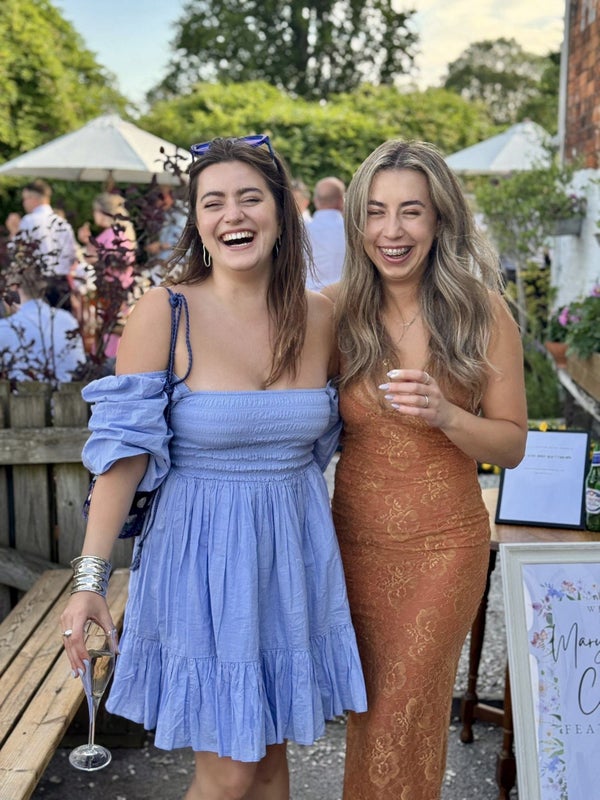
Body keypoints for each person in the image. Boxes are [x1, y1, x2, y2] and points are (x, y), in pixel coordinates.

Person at [61, 135, 367, 800]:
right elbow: (121, 456)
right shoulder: (164, 312)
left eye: (250, 198)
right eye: (214, 202)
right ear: (196, 220)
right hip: (201, 560)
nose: (234, 215)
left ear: (281, 211)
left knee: (269, 765)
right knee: (229, 774)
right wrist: (89, 580)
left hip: (291, 557)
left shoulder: (320, 316)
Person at [322, 139, 528, 800]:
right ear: (357, 222)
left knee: (403, 708)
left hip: (445, 547)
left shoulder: (481, 312)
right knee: (374, 711)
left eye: (411, 211)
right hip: (354, 544)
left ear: (439, 219)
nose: (392, 230)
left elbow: (512, 445)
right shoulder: (334, 312)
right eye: (376, 211)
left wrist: (446, 414)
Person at [0, 247, 86, 383]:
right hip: (72, 394)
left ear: (14, 288)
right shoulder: (67, 320)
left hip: (24, 395)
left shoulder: (6, 328)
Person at [77, 192, 138, 358]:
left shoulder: (111, 235)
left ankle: (110, 364)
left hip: (112, 292)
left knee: (111, 335)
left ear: (102, 212)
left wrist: (87, 245)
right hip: (122, 291)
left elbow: (96, 260)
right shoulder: (121, 233)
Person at [9, 179, 79, 310]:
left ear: (33, 199)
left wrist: (13, 232)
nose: (24, 203)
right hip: (62, 284)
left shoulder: (29, 221)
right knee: (62, 321)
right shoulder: (63, 223)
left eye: (25, 199)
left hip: (38, 285)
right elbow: (72, 255)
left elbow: (17, 253)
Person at [306, 176, 346, 291]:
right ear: (341, 200)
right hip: (346, 298)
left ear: (316, 201)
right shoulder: (353, 231)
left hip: (309, 298)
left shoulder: (301, 231)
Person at [144, 186, 188, 285]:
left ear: (168, 196)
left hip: (177, 267)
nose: (158, 203)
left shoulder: (183, 215)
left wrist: (160, 246)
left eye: (160, 198)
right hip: (161, 265)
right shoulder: (164, 214)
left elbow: (186, 244)